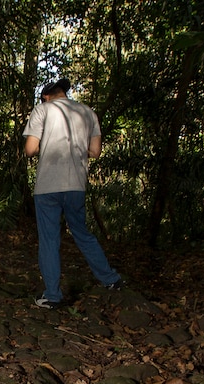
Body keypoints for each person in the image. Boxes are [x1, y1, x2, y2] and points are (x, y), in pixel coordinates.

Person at [22, 78, 122, 309]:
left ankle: (53, 295)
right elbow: (95, 152)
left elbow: (29, 149)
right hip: (76, 184)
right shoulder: (88, 112)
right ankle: (111, 279)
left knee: (49, 239)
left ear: (46, 96)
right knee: (82, 233)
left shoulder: (43, 110)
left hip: (48, 185)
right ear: (63, 93)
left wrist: (45, 145)